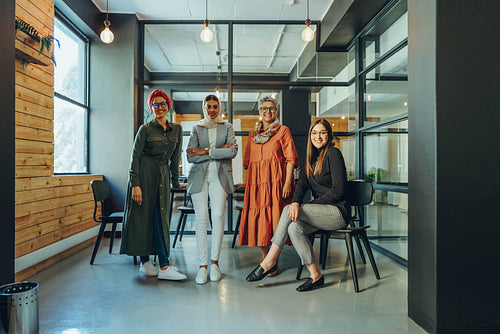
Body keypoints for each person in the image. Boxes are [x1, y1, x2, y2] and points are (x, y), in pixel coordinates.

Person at [245, 118, 350, 292]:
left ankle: (270, 260)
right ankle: (315, 275)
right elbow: (301, 185)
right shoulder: (310, 158)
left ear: (329, 135)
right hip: (320, 213)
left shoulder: (333, 153)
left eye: (322, 132)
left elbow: (339, 190)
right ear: (310, 136)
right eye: (314, 133)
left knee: (288, 210)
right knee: (294, 228)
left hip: (337, 212)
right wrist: (296, 202)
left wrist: (304, 205)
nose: (318, 136)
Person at [120, 89, 187, 281]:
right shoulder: (145, 129)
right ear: (151, 107)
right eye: (155, 104)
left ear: (168, 106)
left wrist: (175, 182)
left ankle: (164, 265)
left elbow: (175, 158)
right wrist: (135, 184)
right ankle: (146, 262)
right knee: (143, 218)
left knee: (160, 219)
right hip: (144, 176)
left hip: (162, 177)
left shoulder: (176, 129)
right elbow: (135, 157)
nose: (159, 107)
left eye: (163, 104)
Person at [237, 96, 298, 276]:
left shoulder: (283, 130)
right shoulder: (252, 134)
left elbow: (291, 160)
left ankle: (273, 259)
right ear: (259, 111)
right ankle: (266, 257)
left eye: (271, 108)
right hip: (256, 185)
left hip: (277, 184)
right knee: (260, 221)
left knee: (275, 220)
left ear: (276, 111)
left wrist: (288, 182)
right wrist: (249, 186)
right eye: (264, 108)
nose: (268, 111)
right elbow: (248, 163)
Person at [186, 94, 238, 284]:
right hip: (199, 178)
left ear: (219, 108)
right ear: (204, 107)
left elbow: (232, 151)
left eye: (215, 106)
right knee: (201, 220)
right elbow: (190, 156)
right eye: (208, 106)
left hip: (220, 177)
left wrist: (206, 151)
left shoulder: (227, 126)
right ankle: (202, 266)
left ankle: (214, 263)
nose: (212, 110)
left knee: (217, 216)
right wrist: (218, 151)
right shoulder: (197, 128)